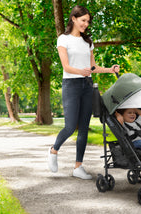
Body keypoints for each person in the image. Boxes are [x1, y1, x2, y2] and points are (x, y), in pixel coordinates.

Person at [48, 5, 120, 179]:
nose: (86, 24)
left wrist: (110, 70)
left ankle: (78, 167)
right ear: (73, 19)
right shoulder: (63, 39)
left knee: (84, 129)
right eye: (83, 20)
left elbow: (93, 67)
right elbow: (66, 66)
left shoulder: (88, 42)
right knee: (70, 126)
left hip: (87, 85)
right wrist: (80, 71)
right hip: (71, 85)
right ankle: (53, 150)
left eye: (88, 21)